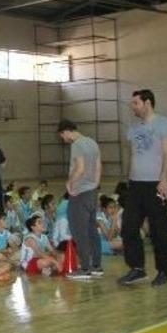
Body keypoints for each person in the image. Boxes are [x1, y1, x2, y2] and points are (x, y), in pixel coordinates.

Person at [119, 89, 167, 287]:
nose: (132, 106)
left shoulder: (164, 123)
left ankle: (163, 271)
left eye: (135, 103)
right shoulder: (133, 127)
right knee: (128, 227)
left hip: (157, 184)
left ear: (147, 103)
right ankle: (137, 268)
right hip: (136, 185)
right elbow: (134, 155)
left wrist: (164, 180)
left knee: (159, 230)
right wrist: (128, 180)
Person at [57, 119, 103, 280]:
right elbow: (98, 166)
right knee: (92, 230)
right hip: (91, 192)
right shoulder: (92, 142)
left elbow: (80, 168)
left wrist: (69, 183)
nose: (63, 139)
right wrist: (95, 185)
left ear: (66, 131)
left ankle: (85, 268)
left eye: (62, 136)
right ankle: (96, 265)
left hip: (80, 194)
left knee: (79, 232)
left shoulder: (76, 145)